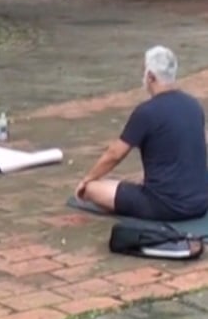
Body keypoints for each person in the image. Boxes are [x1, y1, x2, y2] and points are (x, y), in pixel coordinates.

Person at [75, 46, 208, 221]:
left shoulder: (146, 112)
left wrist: (87, 179)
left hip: (165, 207)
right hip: (199, 202)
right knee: (137, 179)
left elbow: (114, 154)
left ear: (151, 77)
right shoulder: (194, 105)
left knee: (92, 189)